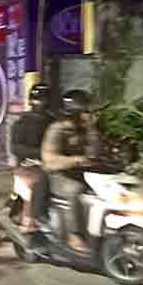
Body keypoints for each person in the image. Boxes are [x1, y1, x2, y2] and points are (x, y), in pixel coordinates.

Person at [41, 90, 100, 254]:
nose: (88, 113)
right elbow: (49, 159)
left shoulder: (84, 129)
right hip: (59, 176)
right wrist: (76, 160)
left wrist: (91, 129)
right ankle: (74, 235)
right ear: (74, 112)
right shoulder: (57, 130)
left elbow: (95, 152)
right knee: (77, 191)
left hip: (83, 173)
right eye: (85, 110)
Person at [11, 83, 55, 231]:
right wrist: (40, 153)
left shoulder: (53, 121)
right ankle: (32, 219)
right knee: (42, 178)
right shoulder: (23, 122)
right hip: (28, 164)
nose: (40, 103)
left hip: (52, 162)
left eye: (43, 100)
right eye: (37, 100)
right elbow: (16, 148)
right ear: (31, 101)